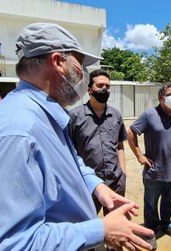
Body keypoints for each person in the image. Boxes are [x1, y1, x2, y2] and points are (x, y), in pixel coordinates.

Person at [0, 22, 153, 250]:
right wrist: (101, 230)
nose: (83, 75)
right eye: (80, 65)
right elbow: (12, 243)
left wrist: (96, 186)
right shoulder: (17, 132)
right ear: (58, 62)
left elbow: (67, 162)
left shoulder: (46, 114)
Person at [127, 83, 171, 250]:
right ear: (160, 98)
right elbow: (131, 132)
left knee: (169, 201)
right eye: (170, 94)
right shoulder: (149, 115)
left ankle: (166, 224)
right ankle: (151, 230)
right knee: (150, 204)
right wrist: (139, 155)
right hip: (153, 172)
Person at [69, 69, 127, 220]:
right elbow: (68, 151)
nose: (104, 89)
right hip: (87, 184)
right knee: (86, 223)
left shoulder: (116, 115)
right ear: (89, 90)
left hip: (115, 181)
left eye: (107, 86)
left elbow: (120, 145)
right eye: (100, 85)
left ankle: (113, 245)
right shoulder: (75, 117)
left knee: (116, 221)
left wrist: (123, 172)